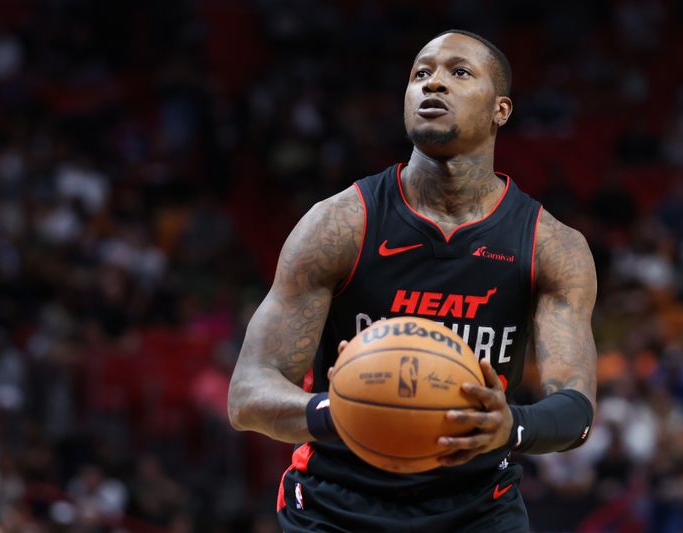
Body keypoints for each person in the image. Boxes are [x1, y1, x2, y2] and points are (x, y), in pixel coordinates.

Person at [228, 29, 597, 532]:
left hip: (478, 510)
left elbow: (576, 411)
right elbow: (247, 393)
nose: (433, 84)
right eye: (421, 74)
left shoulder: (549, 244)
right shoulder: (340, 224)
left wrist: (514, 425)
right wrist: (343, 413)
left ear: (501, 110)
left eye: (458, 72)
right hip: (336, 506)